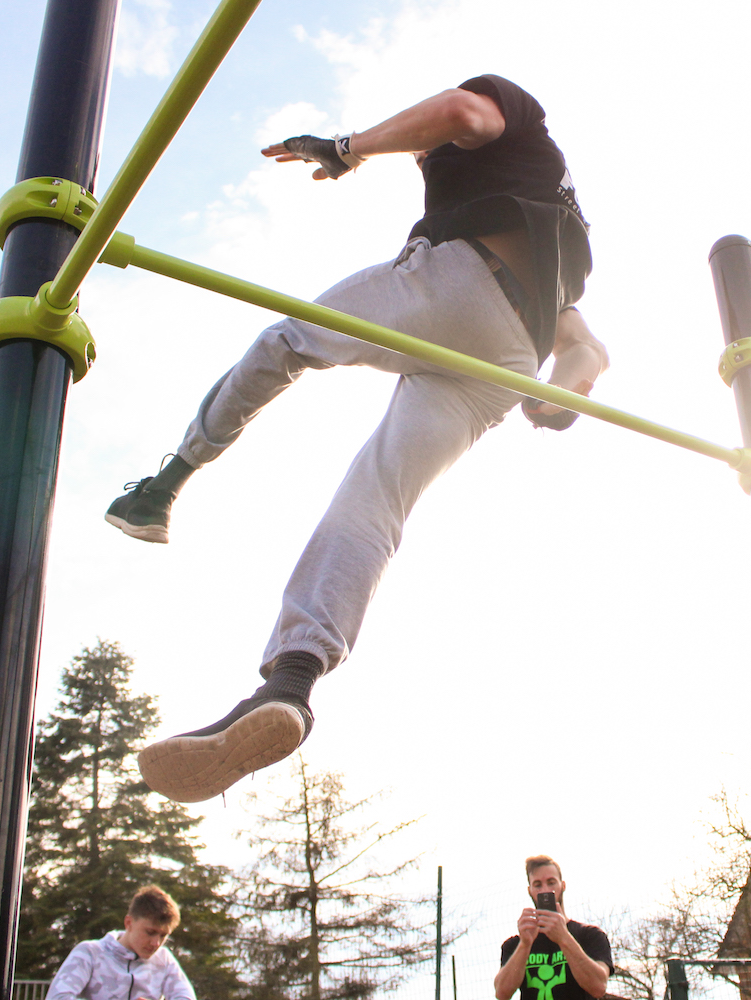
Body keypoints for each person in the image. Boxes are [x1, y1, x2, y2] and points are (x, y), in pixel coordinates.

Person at [106, 74, 609, 804]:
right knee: (376, 501)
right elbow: (586, 347)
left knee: (286, 340)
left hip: (457, 283)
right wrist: (564, 396)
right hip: (508, 356)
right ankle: (292, 680)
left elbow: (459, 111)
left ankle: (166, 483)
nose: (422, 162)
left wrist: (350, 147)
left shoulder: (511, 119)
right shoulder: (556, 218)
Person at [46, 886, 195, 1000]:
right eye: (150, 932)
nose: (156, 943)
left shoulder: (164, 959)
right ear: (129, 922)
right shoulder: (90, 952)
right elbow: (57, 997)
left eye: (163, 936)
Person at [495, 855, 611, 1000]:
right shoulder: (515, 944)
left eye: (551, 882)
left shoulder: (590, 935)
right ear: (529, 890)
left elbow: (599, 986)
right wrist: (525, 945)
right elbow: (501, 993)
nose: (545, 890)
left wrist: (564, 937)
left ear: (563, 885)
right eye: (537, 885)